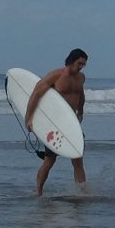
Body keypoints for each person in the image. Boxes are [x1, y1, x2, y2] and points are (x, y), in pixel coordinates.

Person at [24, 48, 88, 196]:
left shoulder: (81, 78)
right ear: (71, 60)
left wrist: (81, 111)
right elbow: (36, 95)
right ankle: (38, 191)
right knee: (50, 160)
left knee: (77, 159)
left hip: (71, 124)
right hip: (55, 125)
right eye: (79, 63)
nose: (81, 67)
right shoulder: (55, 76)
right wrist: (29, 118)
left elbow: (81, 95)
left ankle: (82, 193)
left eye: (83, 64)